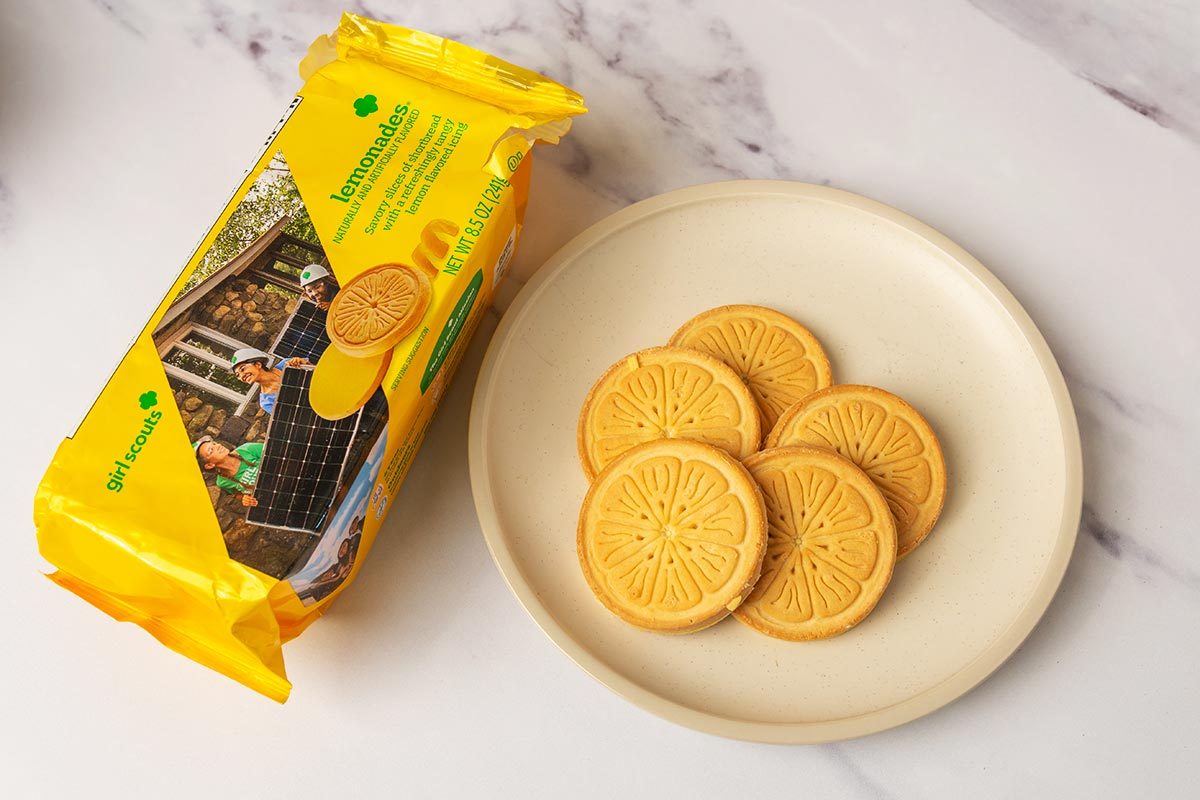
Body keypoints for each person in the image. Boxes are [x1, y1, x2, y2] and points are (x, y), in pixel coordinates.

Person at [228, 347, 309, 414]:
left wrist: (304, 364)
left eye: (242, 369)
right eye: (238, 375)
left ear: (258, 364)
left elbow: (314, 369)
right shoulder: (267, 402)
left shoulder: (286, 364)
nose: (242, 376)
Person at [193, 436, 261, 507]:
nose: (218, 446)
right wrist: (245, 499)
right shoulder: (222, 483)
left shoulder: (247, 449)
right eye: (211, 450)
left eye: (214, 444)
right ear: (210, 465)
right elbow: (238, 494)